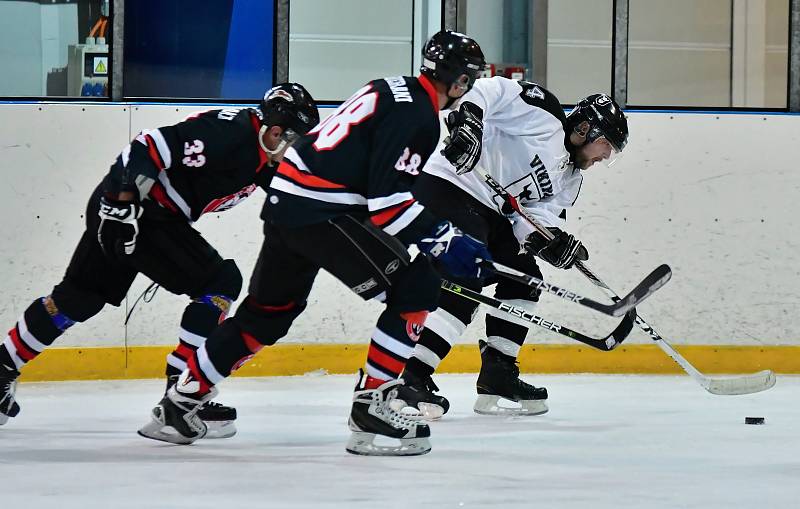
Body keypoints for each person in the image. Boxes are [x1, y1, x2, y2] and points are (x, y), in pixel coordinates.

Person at [137, 30, 490, 457]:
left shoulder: (388, 87)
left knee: (266, 315)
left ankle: (179, 404)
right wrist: (445, 239)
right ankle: (373, 410)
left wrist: (438, 234)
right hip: (323, 211)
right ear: (459, 83)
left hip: (289, 200)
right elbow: (387, 206)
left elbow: (370, 185)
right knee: (416, 287)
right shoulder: (420, 116)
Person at [0, 83, 320, 439]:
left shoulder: (262, 155)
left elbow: (303, 190)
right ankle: (182, 392)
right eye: (295, 141)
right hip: (141, 213)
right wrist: (122, 204)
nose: (295, 152)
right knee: (220, 282)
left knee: (77, 298)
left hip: (130, 211)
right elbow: (149, 144)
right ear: (276, 132)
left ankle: (2, 369)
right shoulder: (231, 132)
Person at [392, 79, 629, 419]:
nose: (605, 155)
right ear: (584, 129)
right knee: (468, 273)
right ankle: (412, 377)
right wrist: (470, 121)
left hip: (489, 214)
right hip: (450, 186)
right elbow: (489, 90)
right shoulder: (542, 115)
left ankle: (498, 374)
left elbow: (530, 218)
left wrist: (549, 240)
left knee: (525, 277)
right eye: (605, 144)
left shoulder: (571, 179)